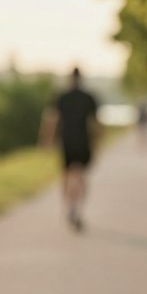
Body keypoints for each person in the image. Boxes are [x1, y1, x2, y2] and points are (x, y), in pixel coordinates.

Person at [39, 67, 100, 231]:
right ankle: (77, 208)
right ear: (82, 78)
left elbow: (50, 120)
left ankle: (69, 207)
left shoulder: (61, 97)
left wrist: (47, 141)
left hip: (66, 142)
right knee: (80, 175)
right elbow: (96, 123)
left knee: (66, 176)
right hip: (83, 143)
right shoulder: (88, 97)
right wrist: (98, 143)